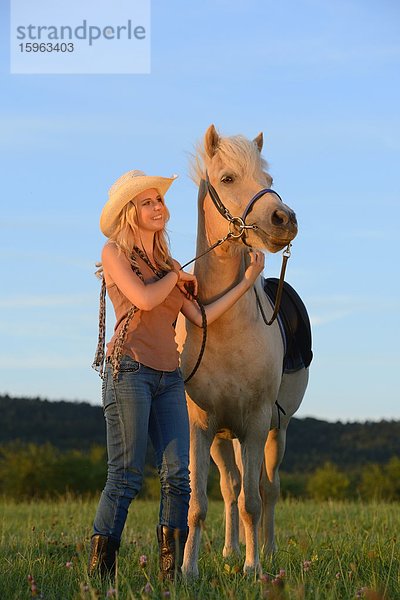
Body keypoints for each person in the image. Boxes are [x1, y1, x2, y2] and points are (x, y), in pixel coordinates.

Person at [88, 169, 265, 581]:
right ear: (130, 213)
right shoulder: (115, 252)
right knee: (127, 475)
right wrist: (176, 277)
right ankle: (101, 574)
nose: (158, 207)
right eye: (147, 202)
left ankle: (170, 576)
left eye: (160, 200)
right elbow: (146, 298)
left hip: (169, 376)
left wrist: (246, 281)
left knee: (178, 478)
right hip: (128, 370)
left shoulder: (166, 262)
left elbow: (200, 317)